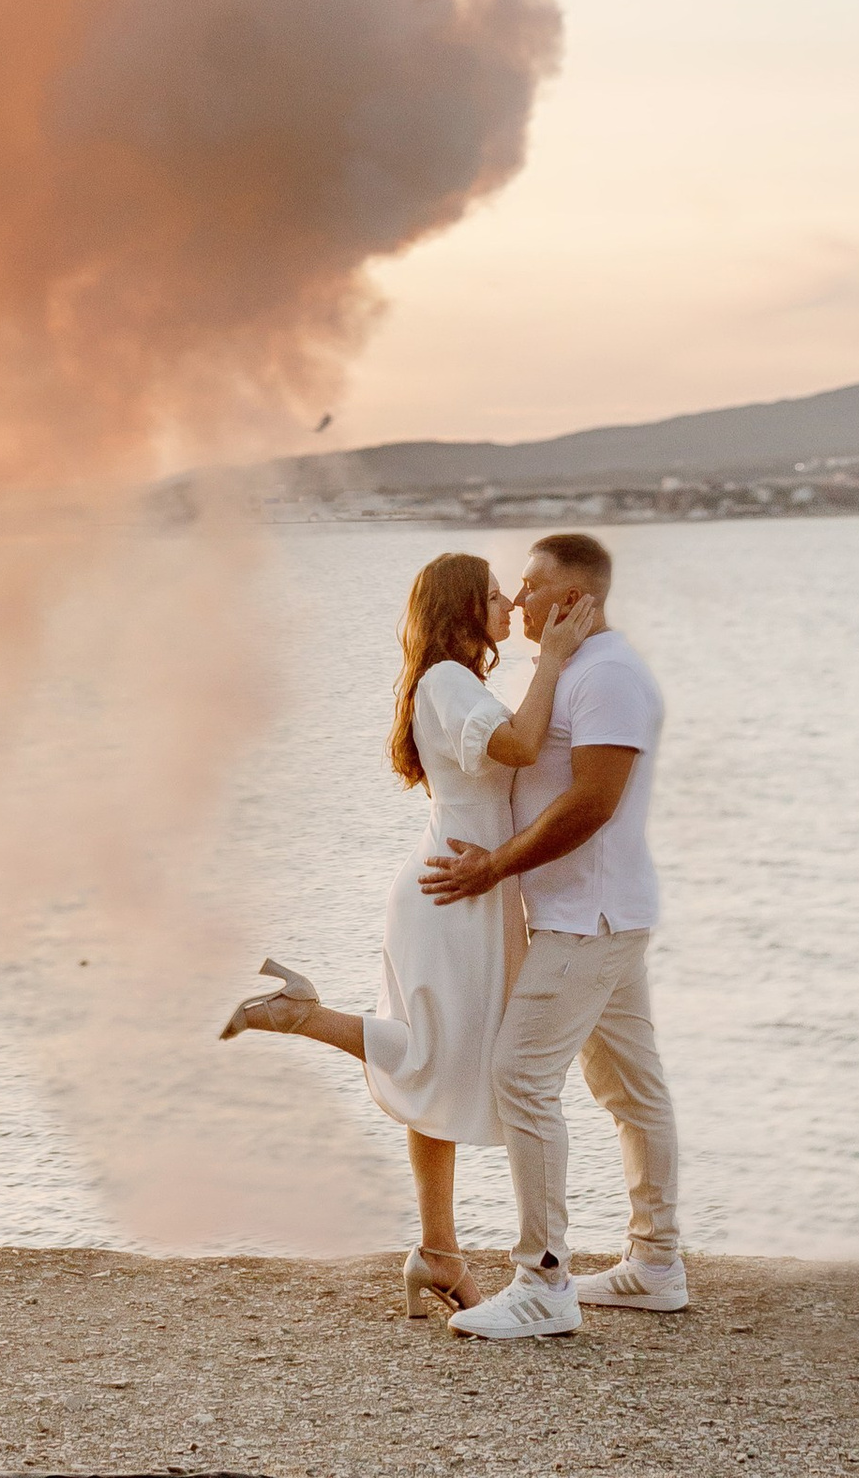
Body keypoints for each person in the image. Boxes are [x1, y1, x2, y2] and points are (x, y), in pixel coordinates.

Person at [218, 551, 590, 1312]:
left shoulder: (457, 683)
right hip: (454, 889)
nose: (504, 602)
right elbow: (518, 747)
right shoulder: (449, 683)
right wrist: (551, 657)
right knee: (441, 1056)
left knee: (438, 1060)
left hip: (469, 885)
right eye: (491, 594)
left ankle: (437, 1252)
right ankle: (301, 1017)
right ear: (461, 610)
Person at [422, 528, 683, 1338]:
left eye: (532, 586)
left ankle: (542, 1282)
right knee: (630, 1090)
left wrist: (496, 866)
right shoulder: (575, 671)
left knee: (520, 1077)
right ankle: (656, 1265)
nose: (520, 598)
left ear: (575, 598)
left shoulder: (608, 677)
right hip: (595, 914)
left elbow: (594, 801)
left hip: (588, 920)